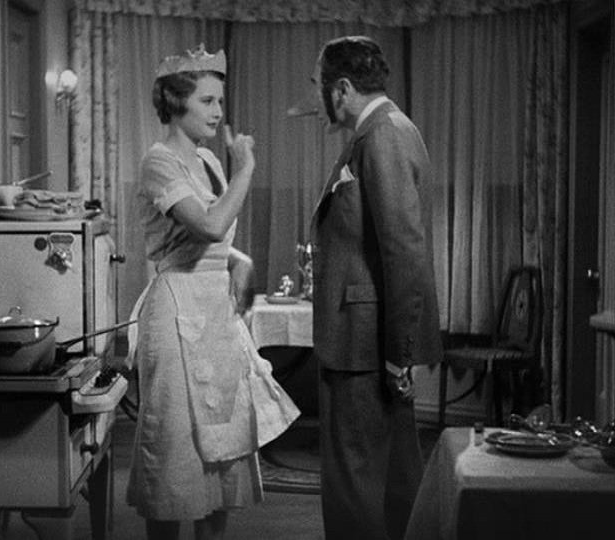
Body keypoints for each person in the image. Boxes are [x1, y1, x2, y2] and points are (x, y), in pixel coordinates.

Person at [125, 45, 299, 540]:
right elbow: (208, 225)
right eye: (207, 101)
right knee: (173, 449)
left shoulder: (206, 160)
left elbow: (217, 241)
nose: (219, 112)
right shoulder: (159, 162)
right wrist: (245, 169)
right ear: (175, 103)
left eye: (220, 100)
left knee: (221, 450)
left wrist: (239, 260)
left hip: (217, 315)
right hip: (175, 311)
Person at [308, 36, 443, 540]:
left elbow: (403, 250)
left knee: (356, 487)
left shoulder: (381, 135)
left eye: (319, 86)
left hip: (363, 347)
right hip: (370, 342)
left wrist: (395, 356)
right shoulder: (387, 129)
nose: (317, 97)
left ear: (341, 89)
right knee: (391, 484)